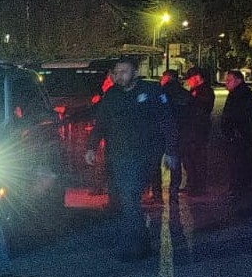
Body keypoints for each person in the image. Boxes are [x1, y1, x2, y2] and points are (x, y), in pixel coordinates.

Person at [85, 58, 177, 261]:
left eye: (124, 72)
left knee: (129, 197)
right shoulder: (112, 95)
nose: (119, 76)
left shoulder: (152, 91)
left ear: (135, 72)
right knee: (125, 200)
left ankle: (133, 248)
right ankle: (143, 243)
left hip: (144, 155)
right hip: (118, 156)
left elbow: (167, 121)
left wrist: (171, 151)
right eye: (116, 72)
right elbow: (101, 122)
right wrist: (91, 147)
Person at [220, 69, 252, 195]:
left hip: (239, 135)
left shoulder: (244, 95)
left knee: (239, 161)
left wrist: (234, 130)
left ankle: (240, 187)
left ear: (238, 80)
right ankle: (237, 186)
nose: (226, 83)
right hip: (235, 134)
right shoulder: (236, 94)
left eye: (229, 80)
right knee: (236, 161)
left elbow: (244, 115)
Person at [157, 69, 192, 200]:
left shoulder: (162, 93)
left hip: (163, 131)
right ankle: (174, 190)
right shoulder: (185, 94)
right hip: (181, 131)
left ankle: (156, 192)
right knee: (176, 161)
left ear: (167, 78)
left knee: (157, 161)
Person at [181, 67, 215, 194]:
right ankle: (192, 184)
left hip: (199, 130)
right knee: (189, 159)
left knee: (197, 159)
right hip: (192, 130)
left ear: (197, 77)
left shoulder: (205, 91)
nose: (188, 82)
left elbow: (201, 109)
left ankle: (198, 187)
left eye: (190, 79)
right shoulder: (195, 90)